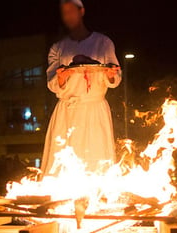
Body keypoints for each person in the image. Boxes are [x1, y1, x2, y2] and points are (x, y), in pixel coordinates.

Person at [41, 0, 122, 175]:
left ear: (82, 11)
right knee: (62, 166)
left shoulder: (103, 42)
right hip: (67, 112)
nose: (68, 16)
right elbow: (52, 84)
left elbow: (115, 77)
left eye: (71, 11)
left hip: (94, 109)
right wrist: (62, 77)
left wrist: (110, 74)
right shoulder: (58, 48)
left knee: (96, 160)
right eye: (64, 12)